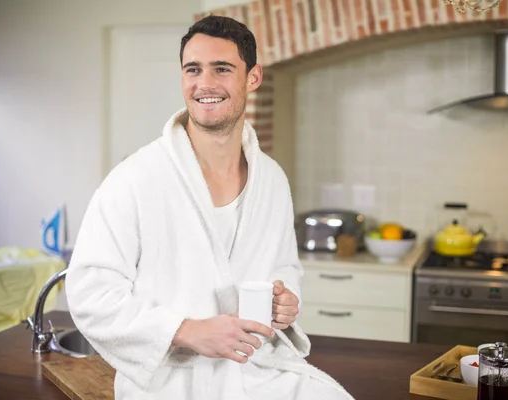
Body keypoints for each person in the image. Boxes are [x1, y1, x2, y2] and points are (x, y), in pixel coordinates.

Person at [66, 14, 354, 400]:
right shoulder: (134, 179)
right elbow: (90, 295)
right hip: (172, 382)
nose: (205, 84)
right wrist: (186, 331)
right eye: (193, 69)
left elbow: (284, 266)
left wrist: (285, 301)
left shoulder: (271, 179)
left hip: (256, 372)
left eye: (221, 69)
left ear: (253, 77)